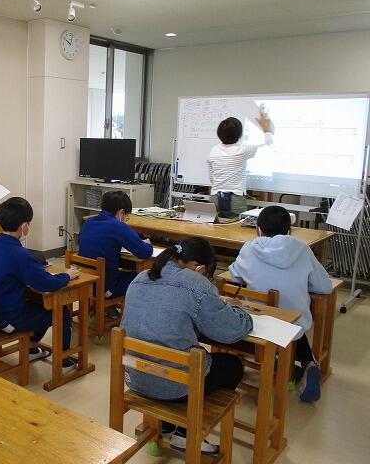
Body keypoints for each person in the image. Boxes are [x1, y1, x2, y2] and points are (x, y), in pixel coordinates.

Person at [121, 237, 252, 455]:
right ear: (200, 268)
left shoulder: (140, 277)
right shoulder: (195, 283)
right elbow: (230, 330)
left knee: (178, 355)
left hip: (135, 377)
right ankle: (186, 432)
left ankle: (166, 424)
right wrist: (241, 312)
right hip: (175, 387)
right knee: (232, 365)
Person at [229, 205, 332, 402]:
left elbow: (234, 275)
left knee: (262, 312)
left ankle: (279, 365)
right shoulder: (302, 249)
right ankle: (306, 365)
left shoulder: (250, 248)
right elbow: (324, 287)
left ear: (258, 229)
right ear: (289, 230)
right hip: (293, 326)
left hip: (257, 323)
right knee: (291, 316)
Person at [0, 197, 80, 370]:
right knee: (60, 310)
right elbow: (45, 283)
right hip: (8, 321)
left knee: (38, 306)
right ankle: (63, 360)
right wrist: (67, 276)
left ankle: (32, 349)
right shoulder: (19, 254)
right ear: (24, 226)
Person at [78, 191, 153, 317]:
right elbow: (145, 252)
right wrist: (148, 243)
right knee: (144, 275)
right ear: (121, 212)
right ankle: (135, 317)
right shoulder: (117, 226)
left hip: (86, 283)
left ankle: (108, 307)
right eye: (126, 216)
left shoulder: (88, 222)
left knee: (118, 269)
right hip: (106, 289)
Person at [207, 110, 274, 218]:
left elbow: (211, 178)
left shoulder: (213, 151)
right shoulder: (242, 150)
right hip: (235, 198)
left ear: (219, 133)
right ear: (239, 134)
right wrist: (266, 127)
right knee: (235, 227)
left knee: (215, 226)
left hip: (215, 197)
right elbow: (268, 143)